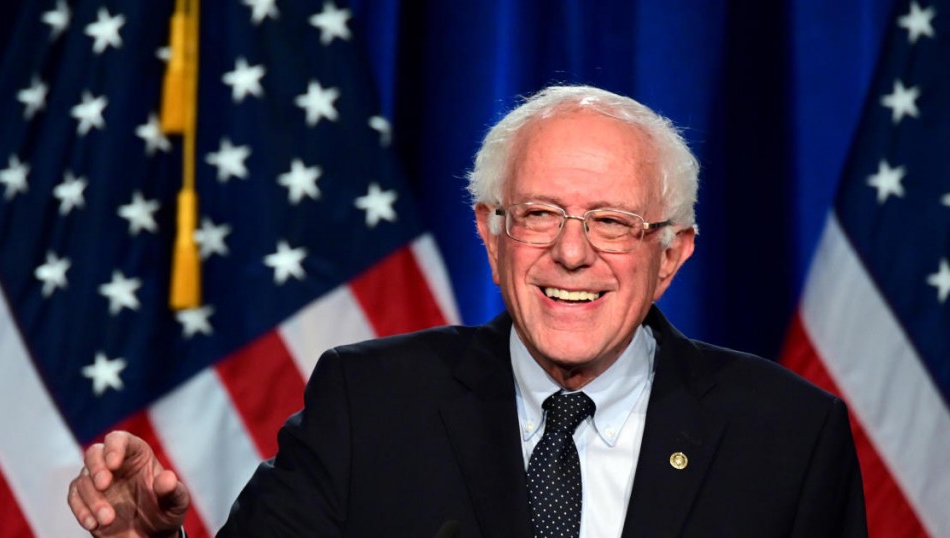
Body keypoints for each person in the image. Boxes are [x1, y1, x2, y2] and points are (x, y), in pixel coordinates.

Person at [67, 85, 867, 537]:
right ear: (491, 234)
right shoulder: (369, 404)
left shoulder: (789, 437)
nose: (573, 253)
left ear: (672, 255)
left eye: (614, 222)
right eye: (541, 214)